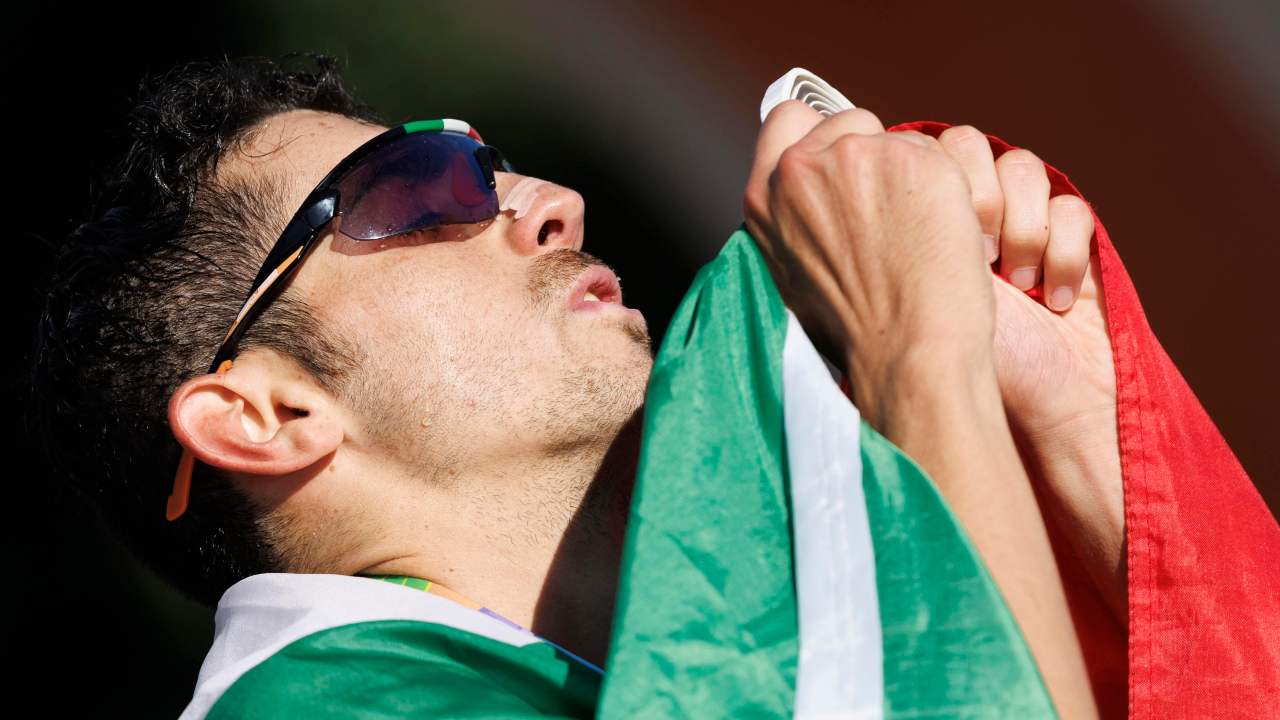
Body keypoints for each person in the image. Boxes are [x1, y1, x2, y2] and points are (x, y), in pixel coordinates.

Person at [29, 52, 1275, 719]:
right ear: (264, 415)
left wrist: (1072, 427)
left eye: (495, 166)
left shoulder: (718, 638)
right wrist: (915, 349)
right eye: (414, 191)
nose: (550, 205)